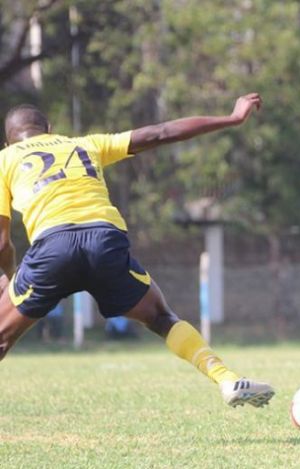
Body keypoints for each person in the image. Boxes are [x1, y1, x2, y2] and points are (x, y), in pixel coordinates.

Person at [0, 94, 274, 408]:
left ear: (8, 143)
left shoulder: (5, 161)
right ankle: (225, 378)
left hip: (53, 247)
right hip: (104, 240)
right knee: (161, 317)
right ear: (50, 128)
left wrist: (11, 278)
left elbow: (2, 243)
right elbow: (160, 132)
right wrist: (232, 118)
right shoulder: (85, 144)